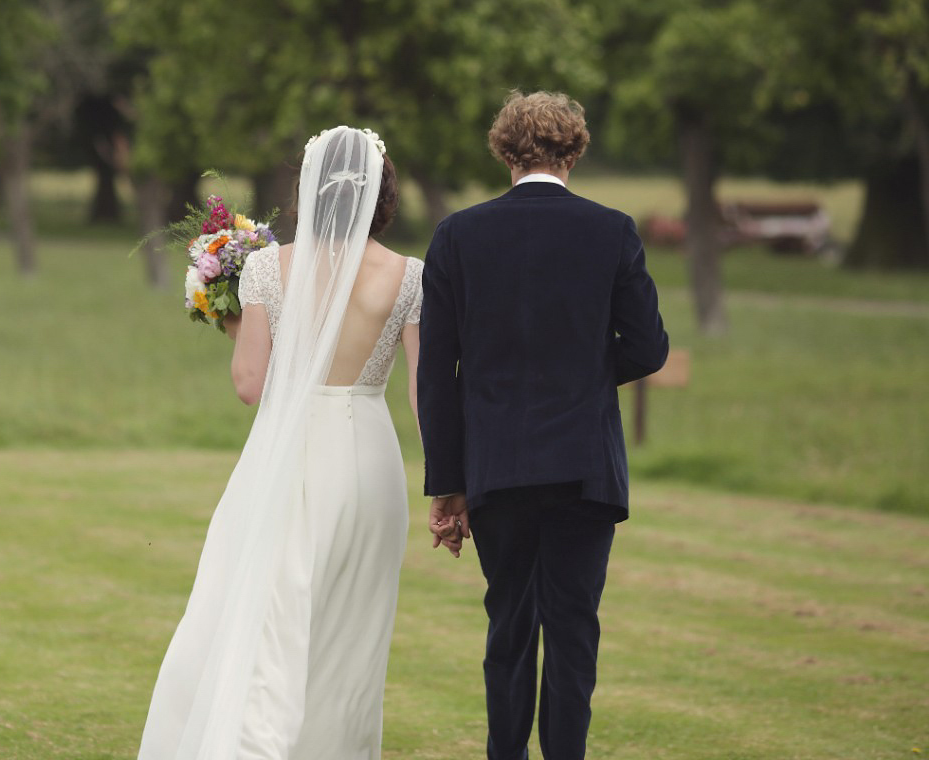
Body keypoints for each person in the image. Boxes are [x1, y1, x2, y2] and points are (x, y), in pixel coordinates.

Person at [138, 126, 424, 759]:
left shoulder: (268, 266)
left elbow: (250, 384)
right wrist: (450, 485)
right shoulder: (410, 277)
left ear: (307, 189)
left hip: (288, 453)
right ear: (382, 193)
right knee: (350, 633)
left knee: (267, 615)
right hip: (369, 460)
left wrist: (235, 324)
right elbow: (423, 394)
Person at [418, 91, 670, 760]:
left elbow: (435, 374)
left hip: (496, 465)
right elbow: (648, 347)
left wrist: (447, 484)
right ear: (575, 151)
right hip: (585, 465)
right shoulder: (611, 229)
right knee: (572, 630)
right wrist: (583, 376)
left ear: (506, 151)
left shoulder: (457, 235)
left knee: (509, 627)